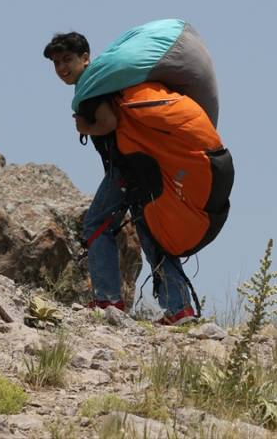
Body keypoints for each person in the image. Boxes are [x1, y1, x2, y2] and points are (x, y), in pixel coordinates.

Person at [43, 31, 197, 325]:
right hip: (146, 166)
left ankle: (108, 300)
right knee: (150, 233)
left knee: (96, 224)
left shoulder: (92, 86)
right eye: (56, 63)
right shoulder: (107, 81)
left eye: (68, 60)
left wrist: (85, 127)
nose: (62, 68)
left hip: (125, 170)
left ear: (85, 58)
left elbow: (108, 123)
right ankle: (179, 309)